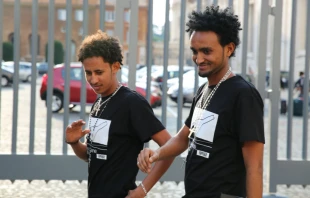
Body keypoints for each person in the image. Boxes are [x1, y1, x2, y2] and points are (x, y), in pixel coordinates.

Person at [137, 5, 265, 198]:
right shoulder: (204, 90)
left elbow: (255, 167)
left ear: (229, 49)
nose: (198, 58)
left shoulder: (243, 95)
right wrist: (156, 154)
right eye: (195, 51)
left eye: (206, 51)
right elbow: (183, 138)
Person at [65, 30, 173, 198]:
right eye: (88, 73)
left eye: (99, 72)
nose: (93, 79)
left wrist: (141, 191)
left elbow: (169, 147)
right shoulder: (99, 103)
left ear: (115, 66)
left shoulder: (132, 103)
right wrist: (74, 143)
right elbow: (91, 155)